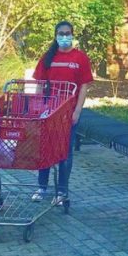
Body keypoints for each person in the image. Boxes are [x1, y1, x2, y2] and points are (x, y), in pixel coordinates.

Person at [31, 21, 93, 204]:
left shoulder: (80, 58)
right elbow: (40, 84)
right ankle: (42, 187)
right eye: (61, 33)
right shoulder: (48, 57)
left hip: (68, 114)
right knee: (45, 150)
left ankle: (62, 191)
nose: (64, 36)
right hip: (49, 113)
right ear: (55, 35)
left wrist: (77, 111)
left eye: (67, 33)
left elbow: (84, 86)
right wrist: (38, 108)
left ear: (72, 35)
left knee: (64, 153)